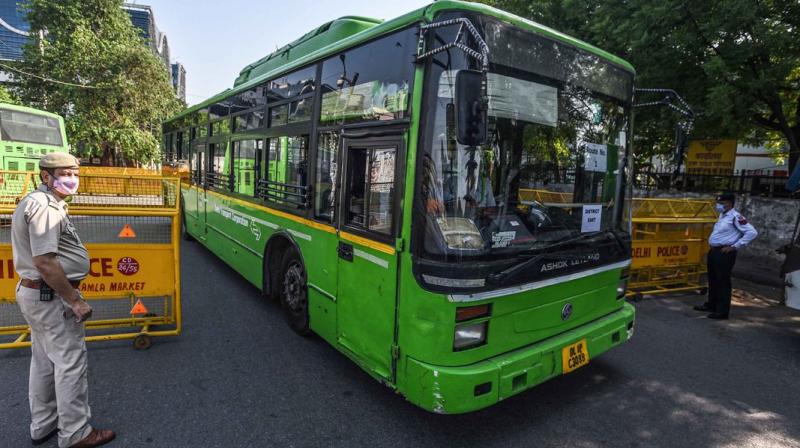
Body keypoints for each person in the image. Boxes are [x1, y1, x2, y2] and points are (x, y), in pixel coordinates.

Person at [11, 153, 115, 448]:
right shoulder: (45, 208)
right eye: (65, 173)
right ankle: (76, 434)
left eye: (75, 173)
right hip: (52, 296)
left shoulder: (37, 201)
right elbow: (45, 262)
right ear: (46, 176)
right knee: (70, 363)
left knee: (45, 362)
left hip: (38, 295)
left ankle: (43, 425)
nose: (73, 179)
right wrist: (75, 301)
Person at [694, 192, 758, 319]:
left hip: (725, 253)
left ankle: (722, 311)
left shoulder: (735, 217)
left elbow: (752, 232)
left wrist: (734, 246)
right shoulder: (722, 216)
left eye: (721, 203)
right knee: (712, 279)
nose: (718, 205)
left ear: (729, 203)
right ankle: (711, 304)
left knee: (723, 281)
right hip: (714, 251)